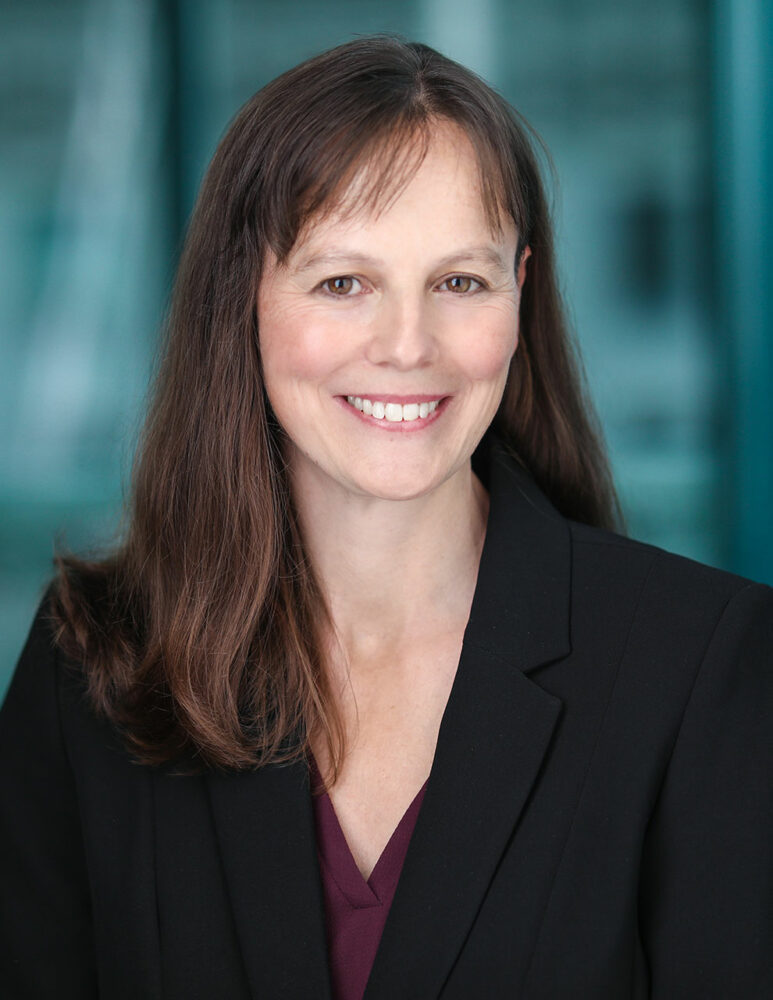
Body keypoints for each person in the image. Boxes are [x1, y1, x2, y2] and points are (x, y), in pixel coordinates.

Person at [1, 33, 771, 1000]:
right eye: (342, 283)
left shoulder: (698, 666)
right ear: (241, 299)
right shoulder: (91, 667)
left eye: (459, 282)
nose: (408, 346)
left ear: (519, 295)